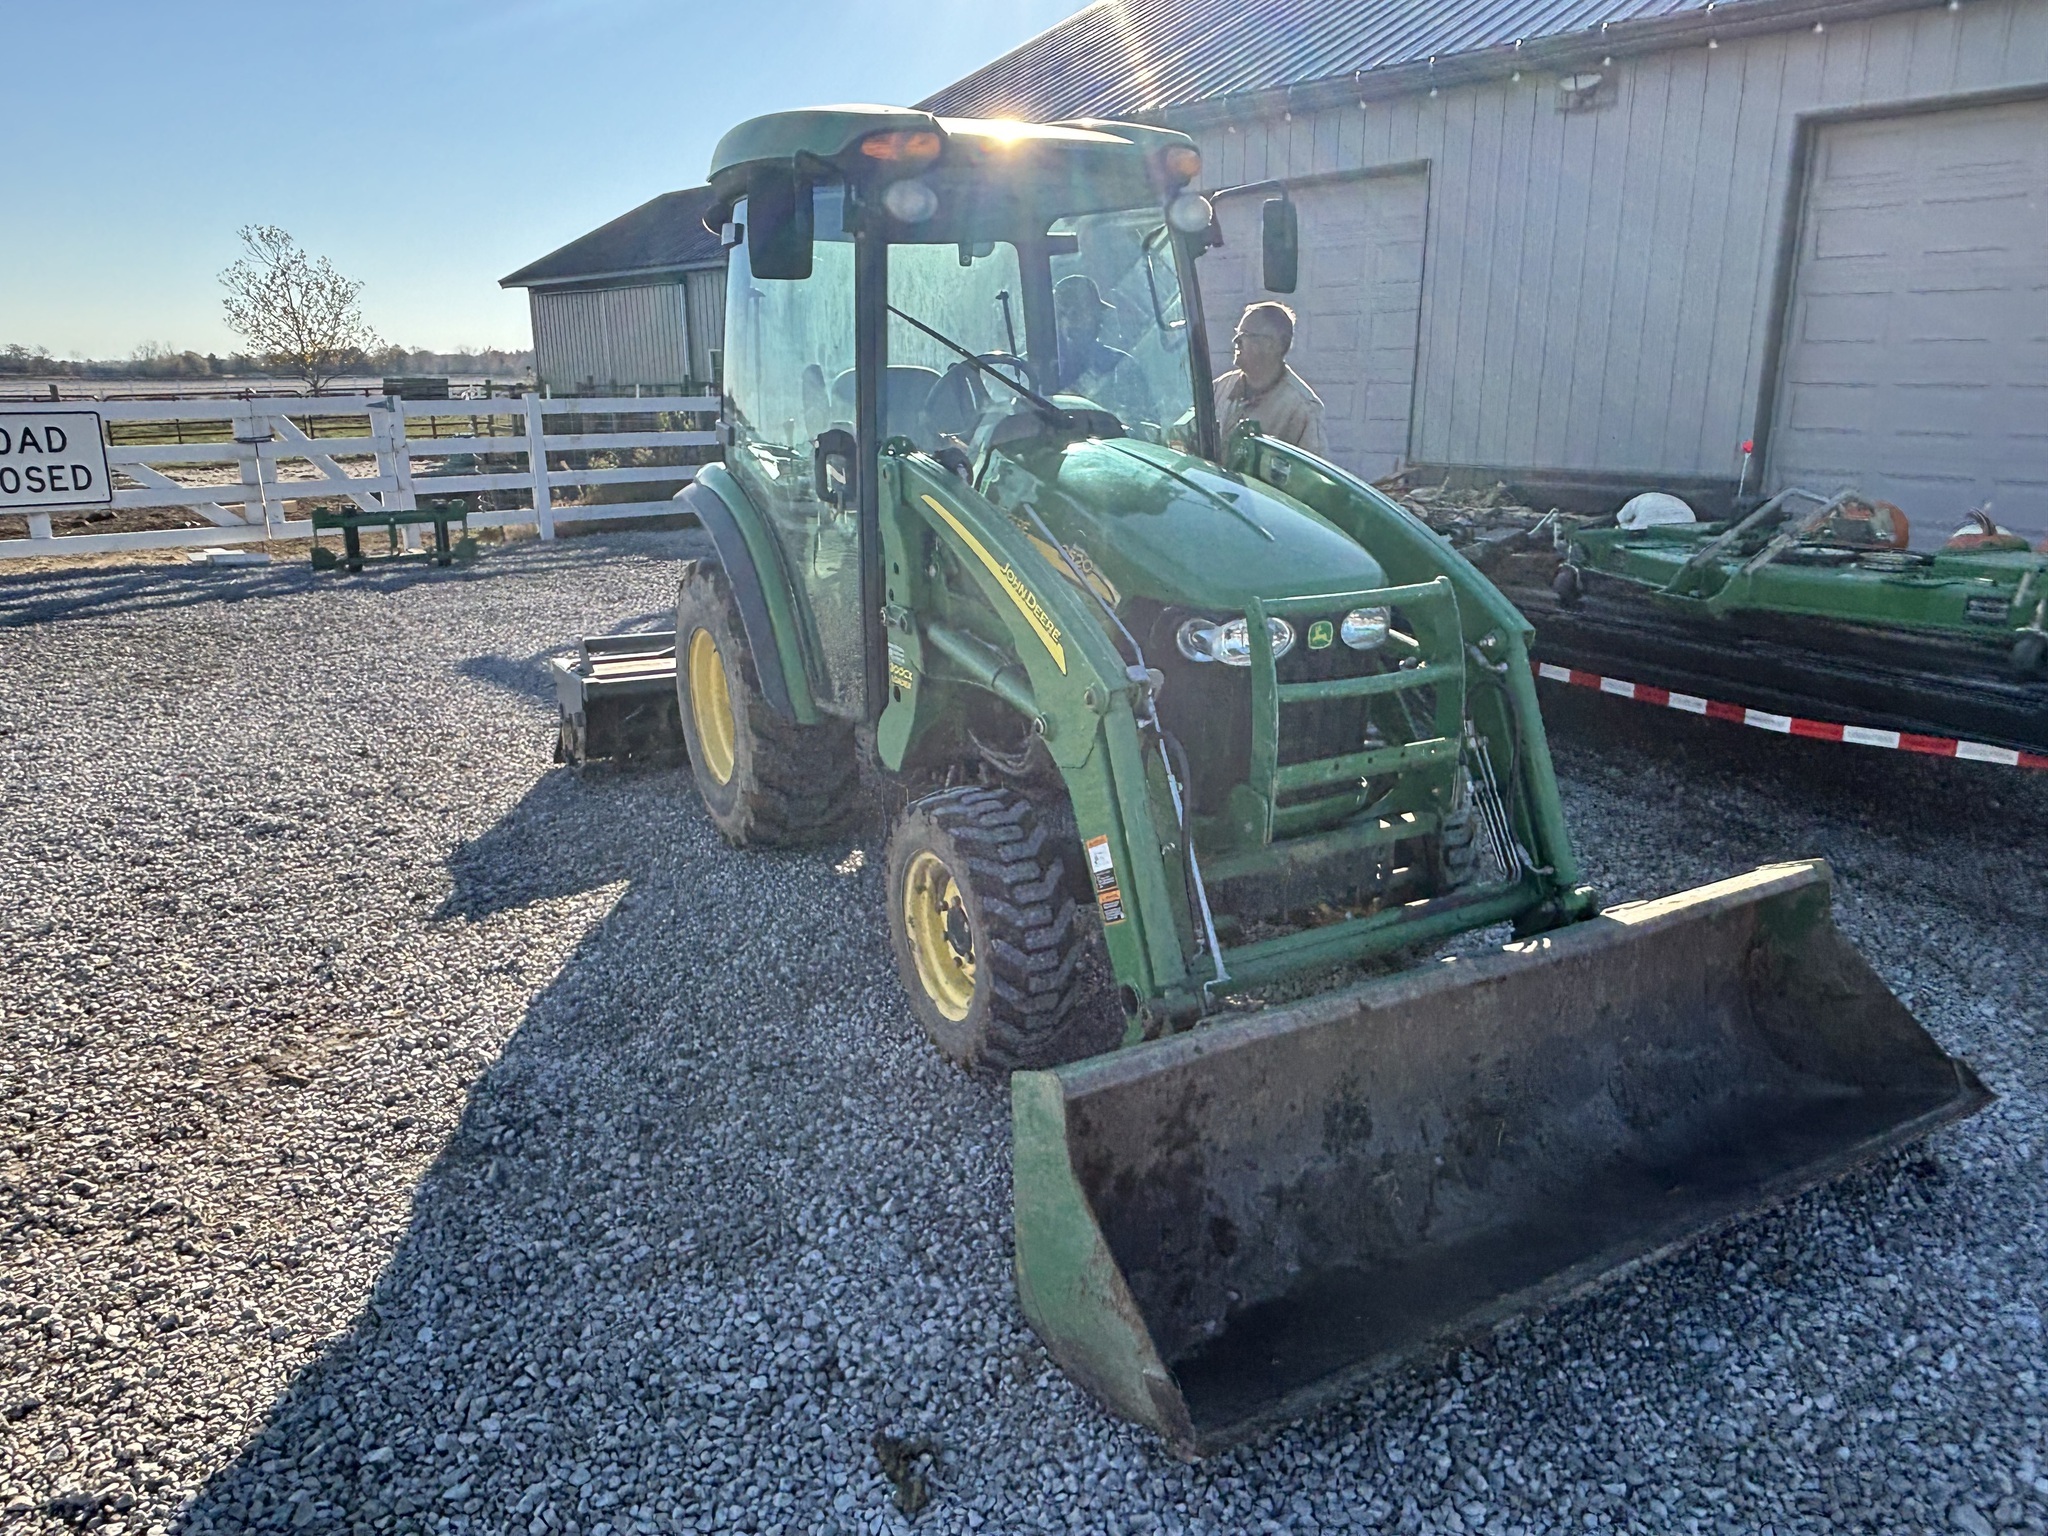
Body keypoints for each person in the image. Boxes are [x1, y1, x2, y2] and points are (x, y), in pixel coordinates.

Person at [1214, 301, 1328, 455]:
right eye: (1237, 334)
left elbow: (1310, 477)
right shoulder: (1220, 388)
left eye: (1245, 335)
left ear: (1272, 344)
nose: (1235, 341)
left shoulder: (1303, 410)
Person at [1053, 273, 1151, 426]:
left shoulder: (1119, 366)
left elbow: (1146, 427)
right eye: (1071, 315)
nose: (1075, 321)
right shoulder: (1031, 370)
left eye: (1088, 313)